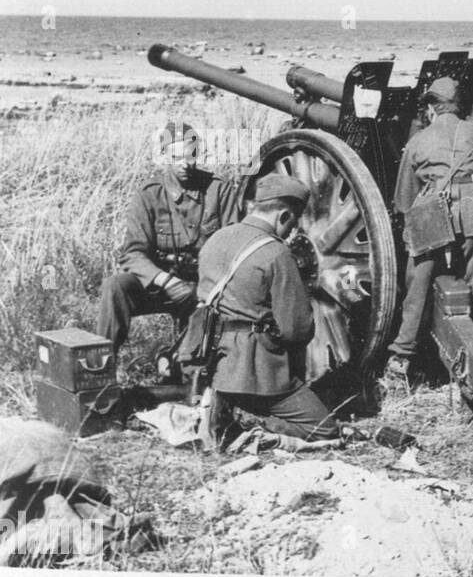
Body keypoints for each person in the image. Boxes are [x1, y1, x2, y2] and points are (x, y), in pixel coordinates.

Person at [186, 173, 338, 441]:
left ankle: (223, 404)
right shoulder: (277, 254)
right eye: (292, 224)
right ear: (283, 216)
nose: (292, 233)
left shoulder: (215, 239)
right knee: (325, 429)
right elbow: (297, 330)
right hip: (254, 372)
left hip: (210, 363)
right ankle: (244, 419)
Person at [388, 76, 473, 379]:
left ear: (432, 108)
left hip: (430, 208)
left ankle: (401, 358)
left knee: (417, 285)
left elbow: (403, 199)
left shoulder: (416, 142)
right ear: (459, 106)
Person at [97, 121, 241, 356]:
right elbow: (132, 253)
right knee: (115, 287)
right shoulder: (149, 195)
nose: (185, 164)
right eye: (176, 157)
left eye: (191, 156)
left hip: (206, 286)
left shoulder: (218, 190)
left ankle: (186, 365)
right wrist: (165, 281)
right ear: (165, 156)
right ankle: (101, 365)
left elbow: (233, 247)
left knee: (195, 361)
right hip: (160, 285)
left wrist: (208, 288)